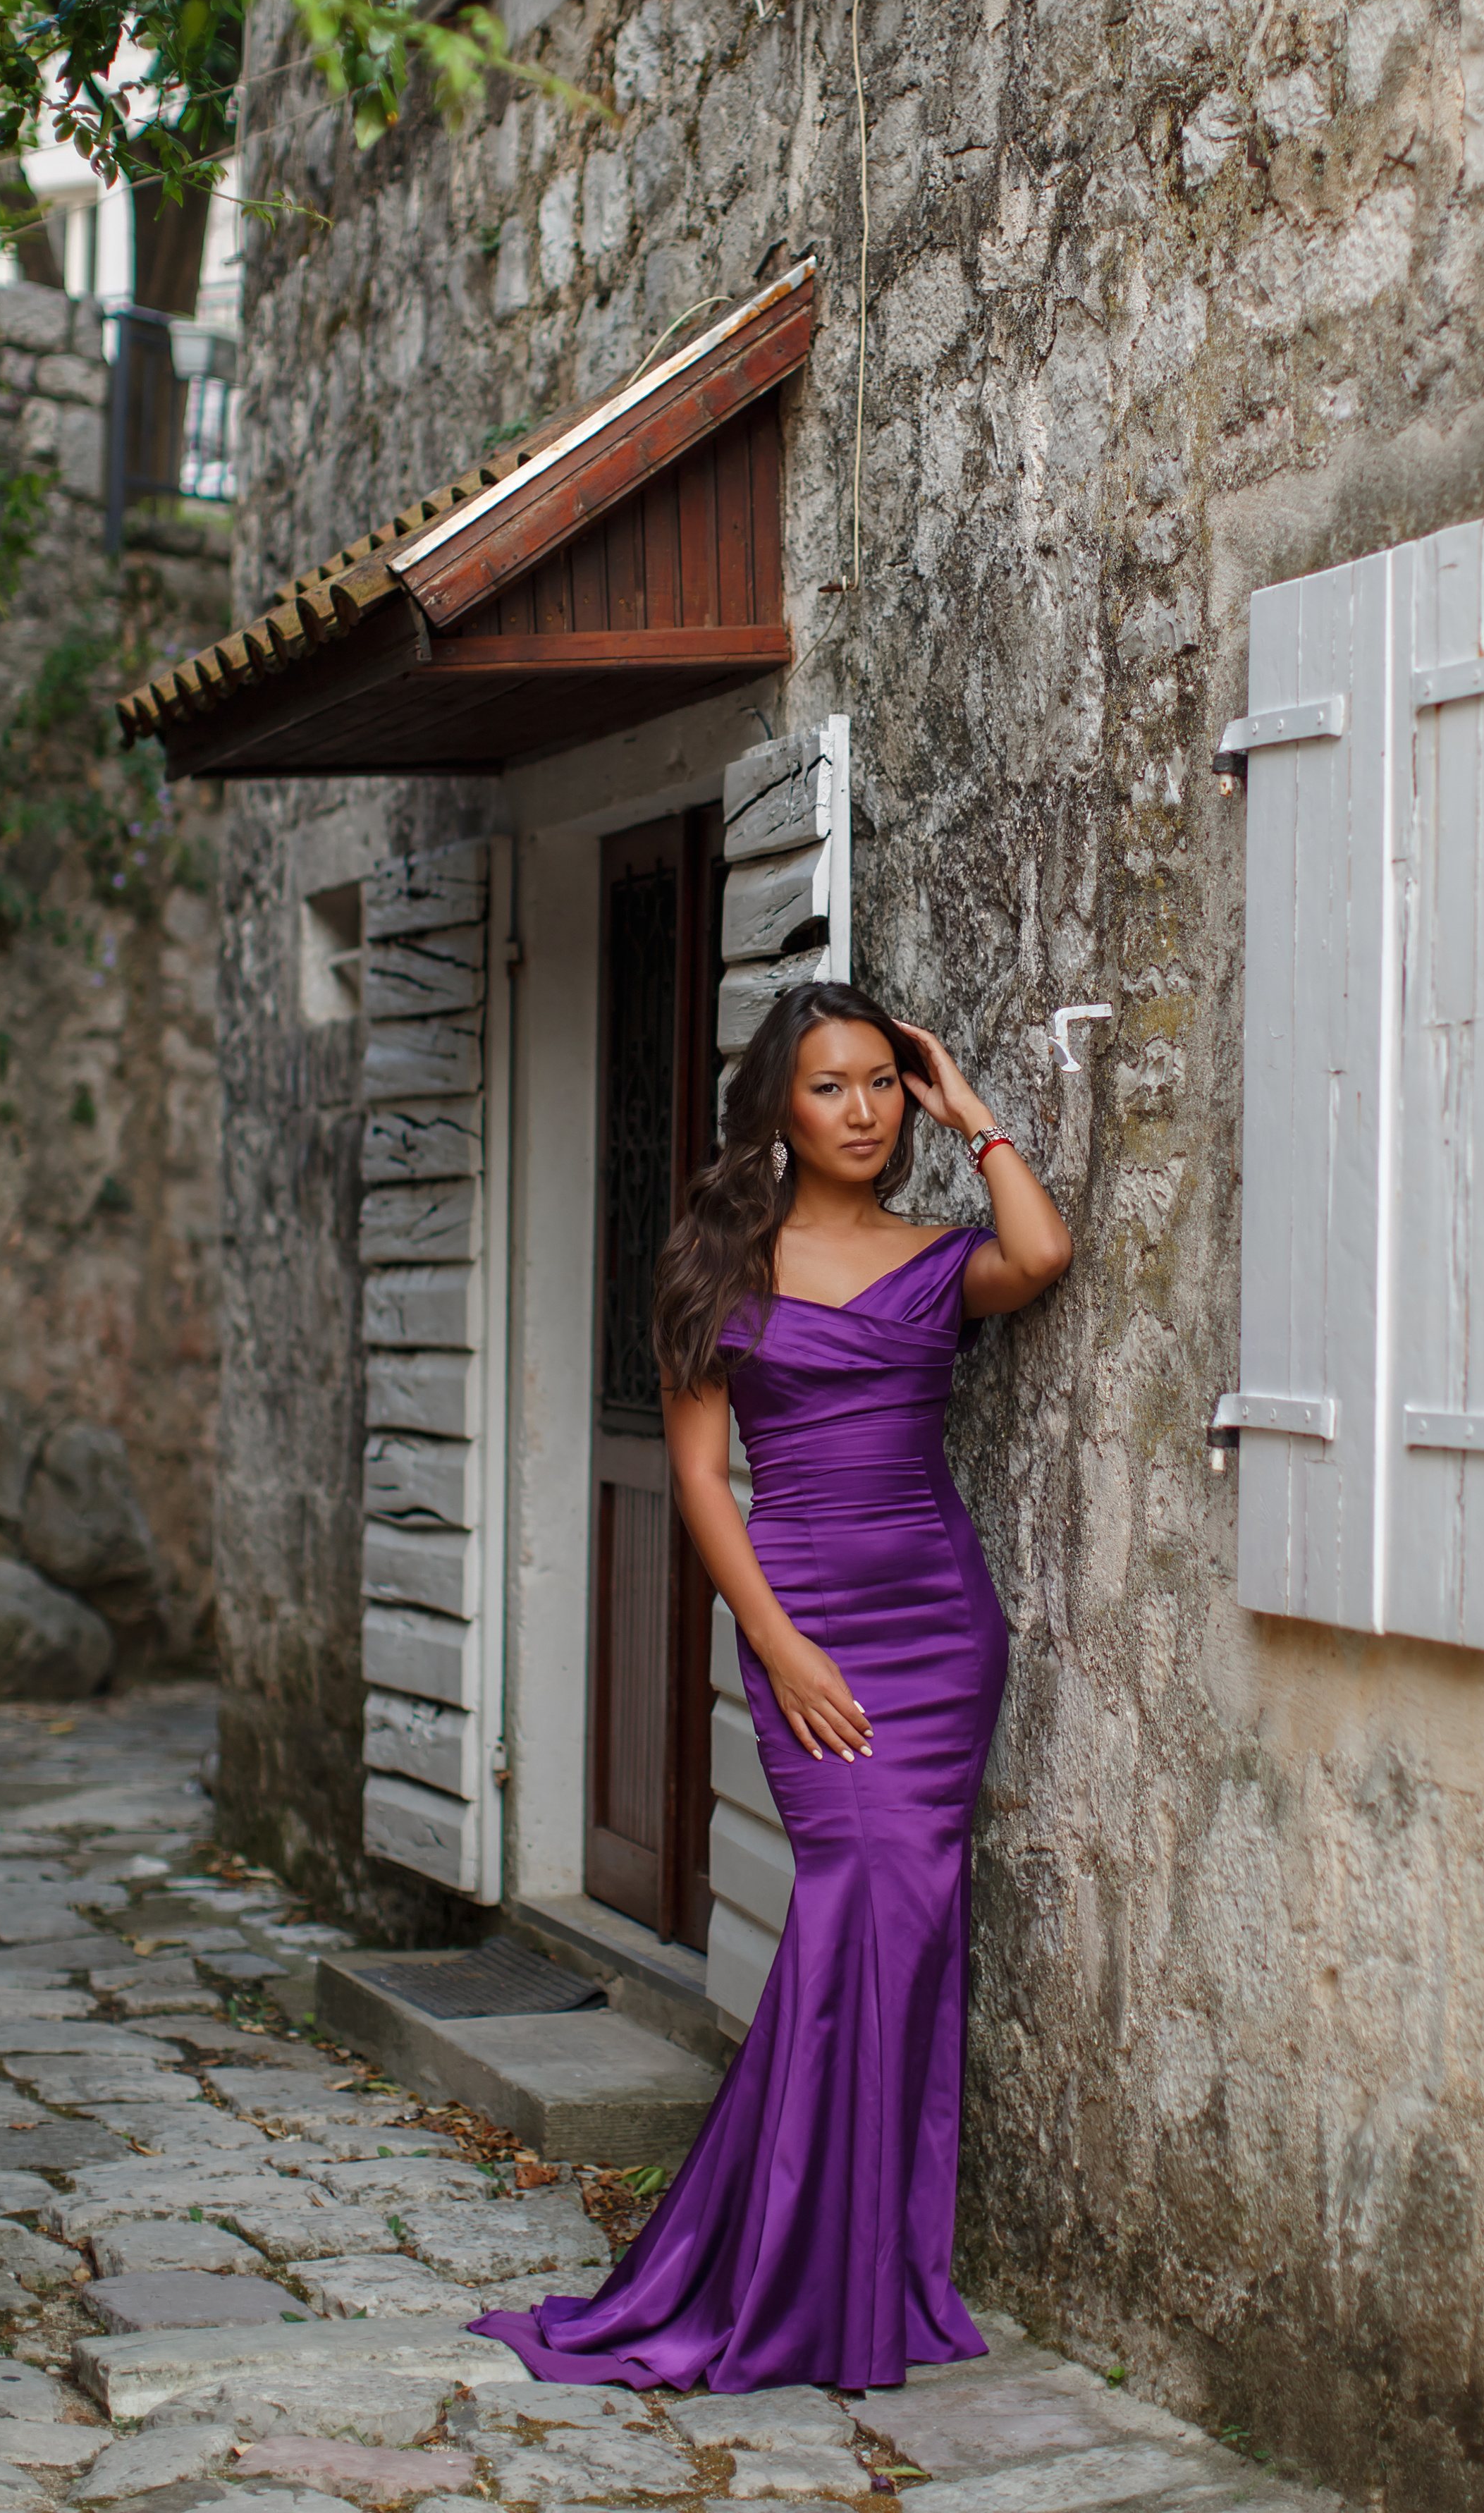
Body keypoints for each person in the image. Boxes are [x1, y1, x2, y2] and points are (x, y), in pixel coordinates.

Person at [473, 979, 1072, 2392]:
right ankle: (788, 2260)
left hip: (938, 1628)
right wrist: (780, 1644)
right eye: (829, 1086)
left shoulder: (936, 1260)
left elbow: (1041, 1252)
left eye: (880, 1083)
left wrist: (970, 1112)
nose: (862, 1111)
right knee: (850, 1908)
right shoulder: (716, 1266)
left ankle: (861, 2264)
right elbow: (698, 1479)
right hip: (805, 1618)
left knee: (905, 1931)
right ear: (778, 1110)